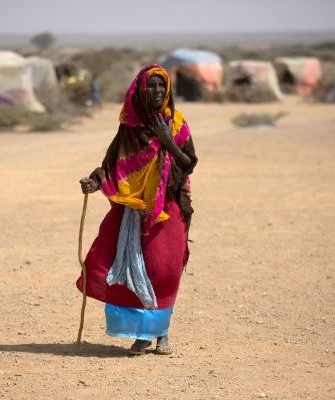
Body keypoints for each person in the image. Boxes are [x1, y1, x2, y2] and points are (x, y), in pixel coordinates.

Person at [78, 64, 197, 355]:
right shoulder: (128, 129)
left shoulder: (178, 124)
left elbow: (189, 163)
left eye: (161, 86)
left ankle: (162, 332)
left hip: (168, 207)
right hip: (134, 210)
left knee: (164, 270)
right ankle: (143, 335)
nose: (157, 91)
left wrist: (166, 138)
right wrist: (93, 183)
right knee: (135, 271)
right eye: (151, 86)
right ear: (140, 90)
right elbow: (111, 166)